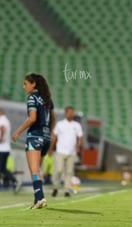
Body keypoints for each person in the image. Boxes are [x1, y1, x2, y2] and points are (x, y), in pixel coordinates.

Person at [12, 73, 55, 209]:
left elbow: (32, 118)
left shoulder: (32, 98)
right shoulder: (48, 99)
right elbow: (53, 118)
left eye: (25, 84)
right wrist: (49, 131)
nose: (24, 87)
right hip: (46, 138)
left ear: (33, 84)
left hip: (35, 136)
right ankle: (37, 199)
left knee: (34, 170)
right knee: (36, 170)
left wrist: (18, 131)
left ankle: (40, 197)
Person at [48, 106, 83, 198]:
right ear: (65, 113)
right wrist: (50, 149)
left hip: (71, 152)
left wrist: (78, 147)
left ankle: (67, 190)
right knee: (59, 170)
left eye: (72, 112)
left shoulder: (77, 125)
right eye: (69, 112)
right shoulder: (60, 124)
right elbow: (54, 137)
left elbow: (80, 137)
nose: (71, 114)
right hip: (60, 151)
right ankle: (56, 187)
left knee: (69, 172)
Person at [0, 108, 20, 192]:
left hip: (2, 148)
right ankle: (15, 181)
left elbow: (2, 128)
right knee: (2, 168)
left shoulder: (2, 120)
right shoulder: (6, 120)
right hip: (6, 148)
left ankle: (15, 180)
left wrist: (0, 138)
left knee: (1, 168)